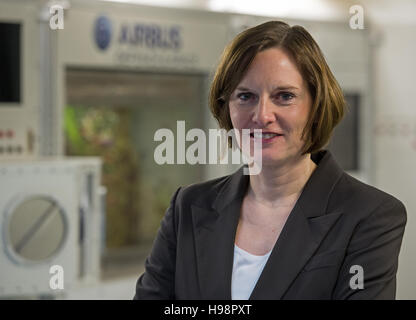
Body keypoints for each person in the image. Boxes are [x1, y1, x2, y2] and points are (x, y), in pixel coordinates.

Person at [133, 21, 407, 300]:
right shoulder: (188, 208)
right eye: (245, 96)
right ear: (227, 108)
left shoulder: (369, 216)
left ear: (316, 106)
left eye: (284, 96)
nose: (262, 115)